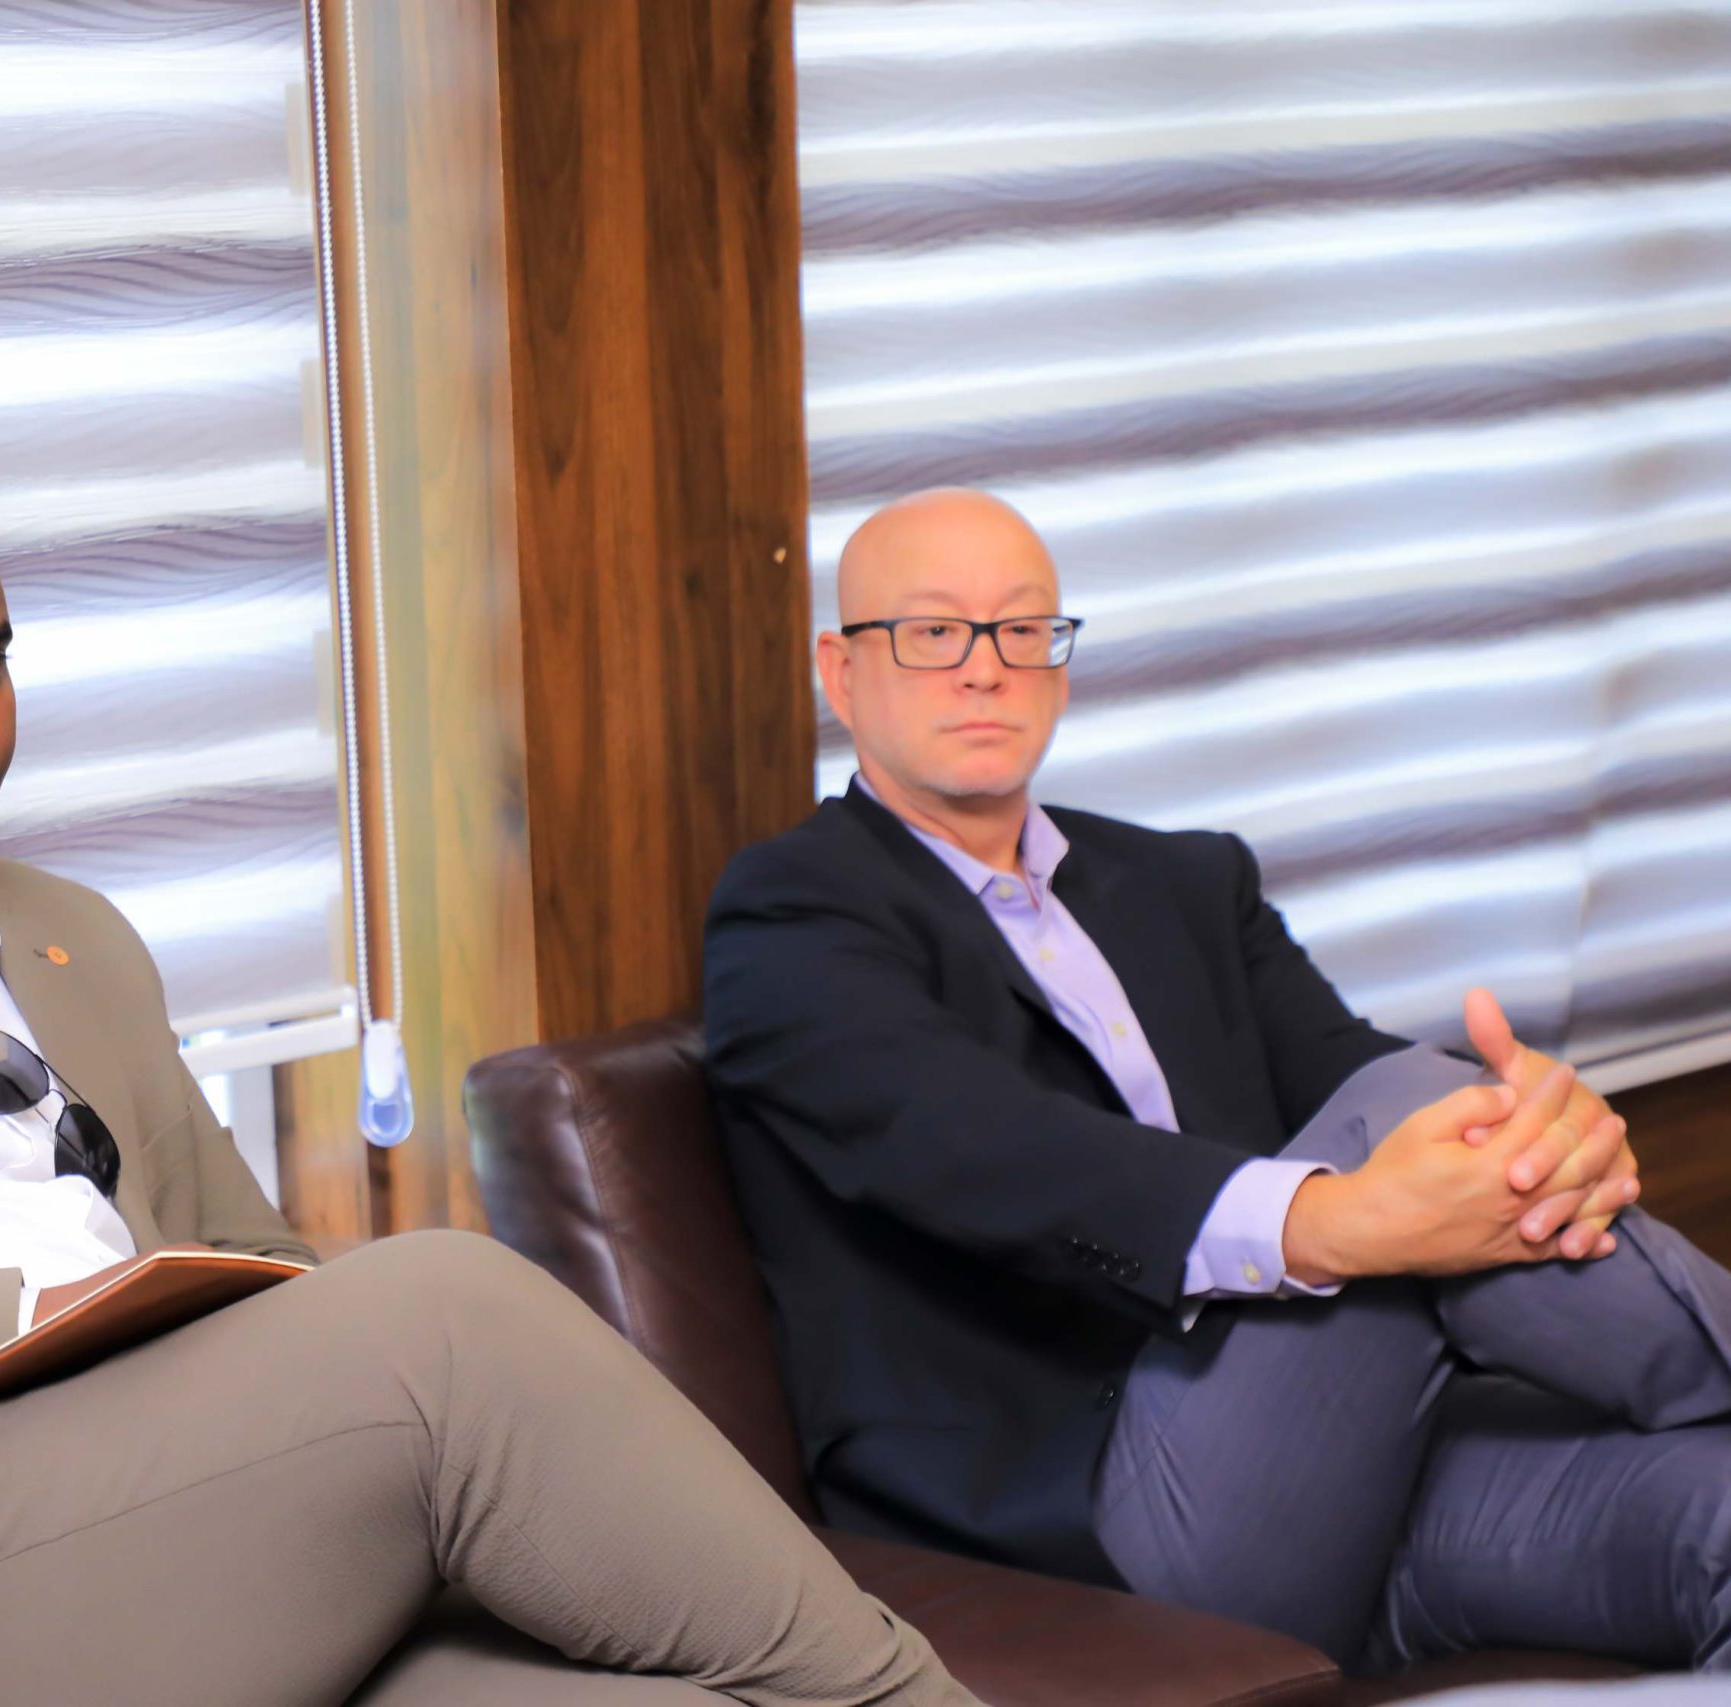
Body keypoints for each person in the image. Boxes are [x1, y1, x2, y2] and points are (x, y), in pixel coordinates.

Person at [0, 448, 971, 1707]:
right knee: (446, 1308)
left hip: (177, 1523)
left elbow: (253, 1262)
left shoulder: (66, 934)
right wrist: (18, 1315)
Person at [702, 488, 1731, 1676]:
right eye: (933, 632)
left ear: (1058, 668)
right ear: (841, 674)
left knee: (1706, 1494)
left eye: (1021, 630)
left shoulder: (1183, 881)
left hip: (1338, 1467)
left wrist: (1546, 1126)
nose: (984, 668)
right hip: (1093, 1529)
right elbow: (979, 1149)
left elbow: (1354, 1072)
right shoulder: (790, 913)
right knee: (1405, 1119)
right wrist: (1330, 1222)